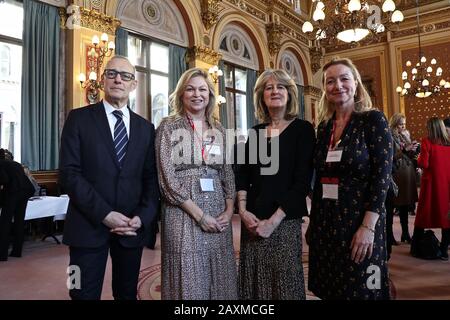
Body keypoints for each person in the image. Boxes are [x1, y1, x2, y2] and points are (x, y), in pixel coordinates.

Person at [59, 55, 160, 300]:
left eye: (125, 76)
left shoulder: (146, 128)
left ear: (133, 84)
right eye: (112, 73)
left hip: (130, 229)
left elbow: (151, 180)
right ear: (103, 80)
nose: (118, 79)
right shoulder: (78, 118)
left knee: (126, 294)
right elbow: (69, 175)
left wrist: (142, 218)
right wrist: (105, 215)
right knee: (78, 291)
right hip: (86, 227)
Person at [307, 57, 393, 300]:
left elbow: (382, 177)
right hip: (326, 220)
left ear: (355, 84)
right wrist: (314, 222)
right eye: (330, 81)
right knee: (332, 287)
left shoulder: (373, 120)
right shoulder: (324, 127)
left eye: (344, 78)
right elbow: (320, 176)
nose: (338, 85)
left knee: (365, 288)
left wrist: (368, 226)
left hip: (360, 220)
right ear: (325, 88)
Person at [156, 67, 237, 300]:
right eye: (190, 89)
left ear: (210, 95)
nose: (196, 94)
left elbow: (227, 172)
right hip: (183, 212)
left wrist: (229, 209)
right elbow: (166, 179)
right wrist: (199, 215)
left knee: (219, 275)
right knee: (188, 276)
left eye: (202, 89)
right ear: (181, 94)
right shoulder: (168, 126)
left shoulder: (218, 128)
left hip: (218, 211)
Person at [236, 69, 315, 300]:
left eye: (280, 86)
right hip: (252, 221)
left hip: (284, 221)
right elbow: (242, 174)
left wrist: (273, 221)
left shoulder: (303, 129)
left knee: (284, 287)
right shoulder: (256, 132)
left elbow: (302, 182)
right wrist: (242, 211)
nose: (274, 91)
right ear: (261, 95)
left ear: (289, 93)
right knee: (253, 286)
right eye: (269, 87)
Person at [411, 117, 450, 260]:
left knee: (423, 216)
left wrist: (418, 158)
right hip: (446, 184)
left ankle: (415, 248)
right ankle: (444, 250)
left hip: (430, 184)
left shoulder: (427, 141)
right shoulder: (448, 143)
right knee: (446, 218)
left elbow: (424, 163)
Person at [0, 149, 35, 261]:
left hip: (13, 193)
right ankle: (17, 251)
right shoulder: (15, 163)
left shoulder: (1, 164)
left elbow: (4, 179)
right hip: (26, 191)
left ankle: (2, 255)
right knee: (19, 221)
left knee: (4, 223)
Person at [389, 113, 418, 243]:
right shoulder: (390, 135)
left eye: (404, 124)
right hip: (397, 172)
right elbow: (392, 156)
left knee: (406, 205)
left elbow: (409, 153)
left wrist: (413, 148)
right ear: (395, 124)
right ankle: (389, 235)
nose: (403, 127)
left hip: (407, 171)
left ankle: (405, 233)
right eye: (401, 124)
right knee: (394, 204)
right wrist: (406, 149)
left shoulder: (405, 135)